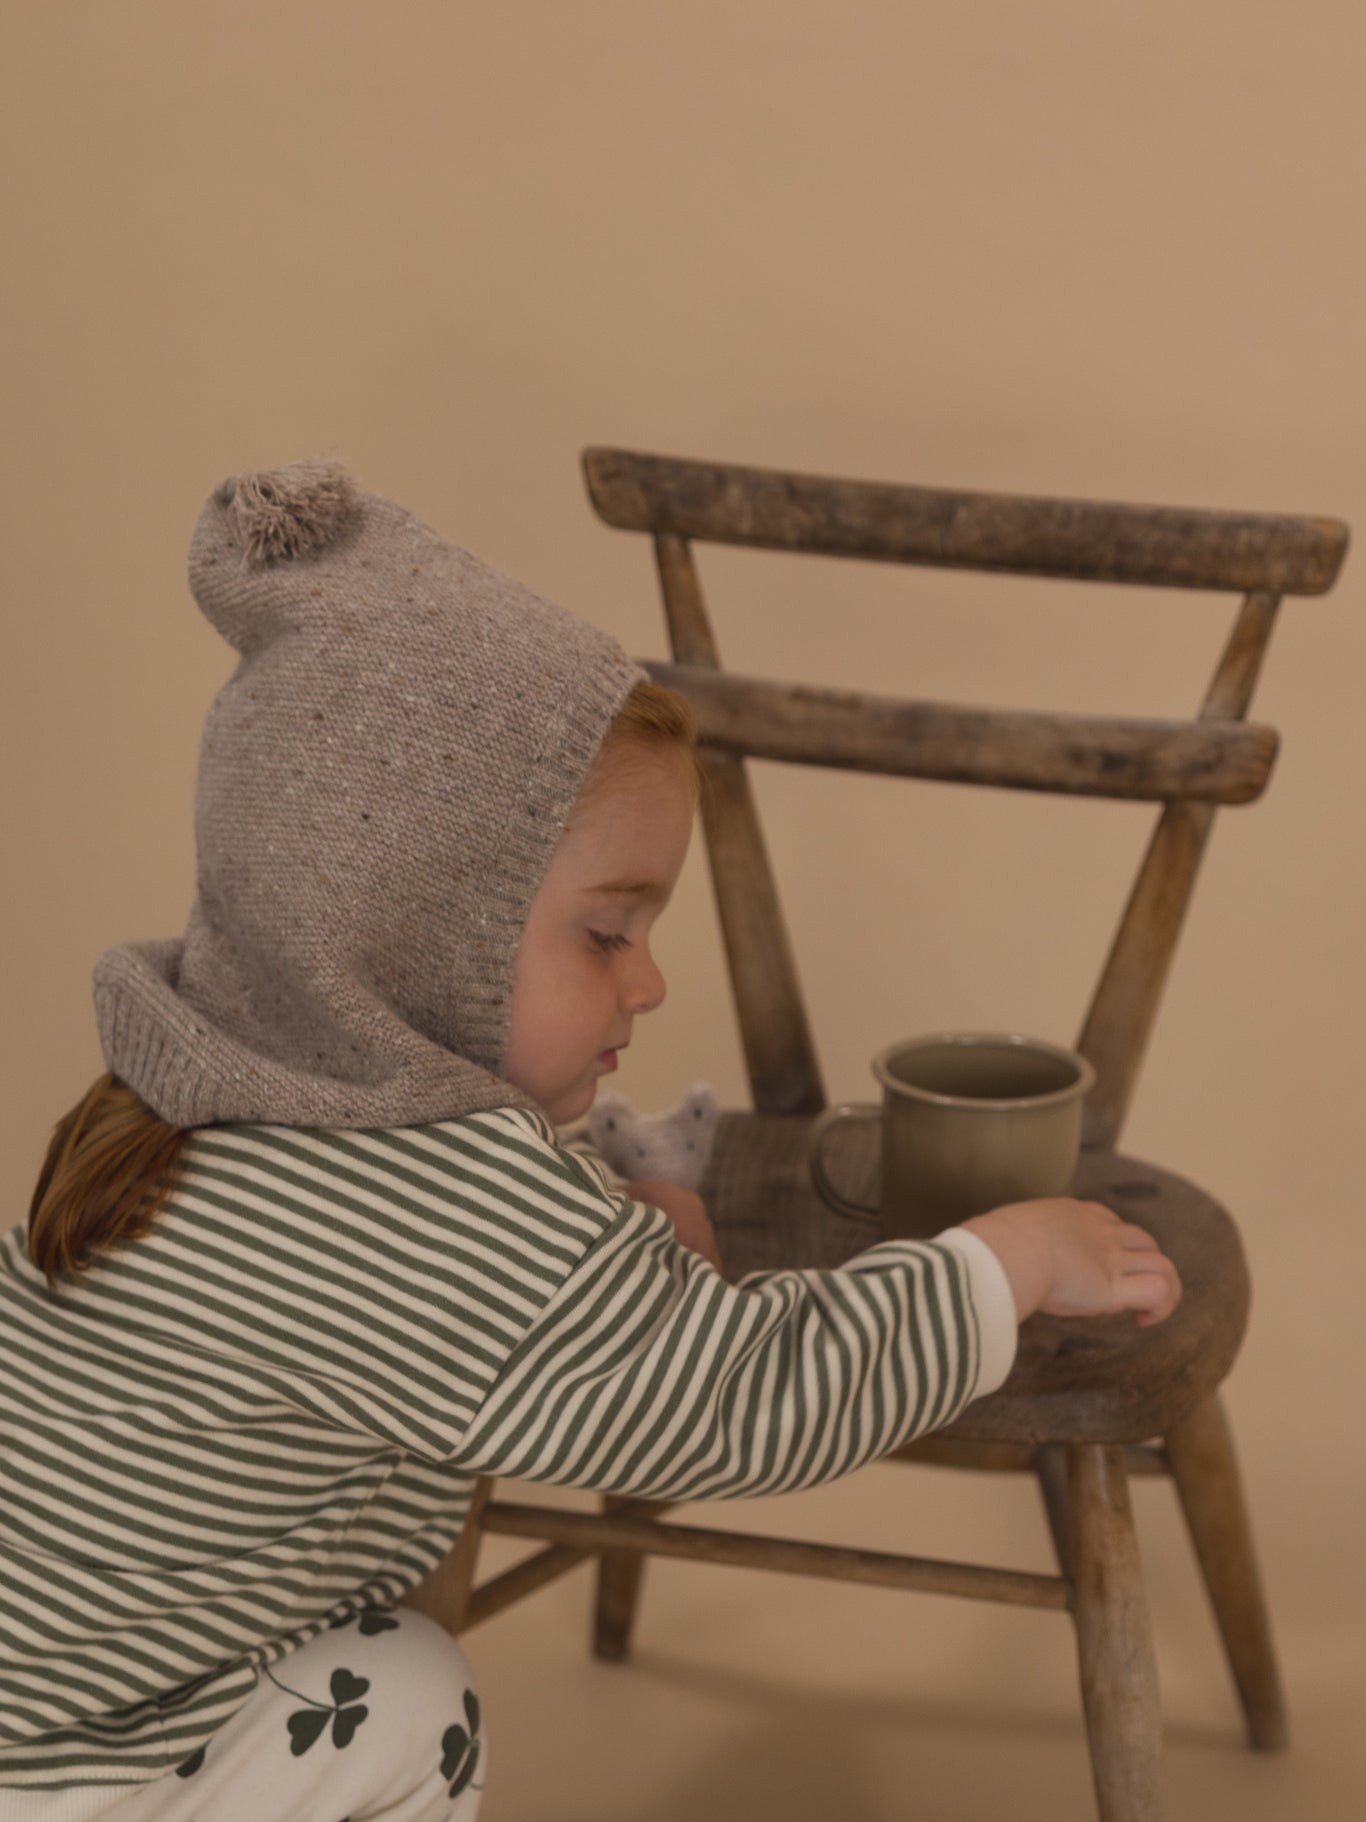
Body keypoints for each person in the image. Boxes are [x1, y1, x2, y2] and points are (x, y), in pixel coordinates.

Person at [0, 461, 1180, 1821]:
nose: (650, 980)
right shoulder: (441, 1211)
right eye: (607, 931)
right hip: (70, 1778)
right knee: (402, 1691)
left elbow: (435, 1290)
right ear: (403, 940)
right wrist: (998, 1264)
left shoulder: (193, 1082)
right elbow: (736, 1400)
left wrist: (607, 1246)